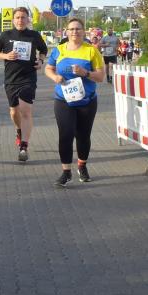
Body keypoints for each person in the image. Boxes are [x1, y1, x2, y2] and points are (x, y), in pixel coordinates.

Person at [44, 18, 105, 187]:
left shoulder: (91, 51)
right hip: (63, 100)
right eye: (71, 29)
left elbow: (101, 77)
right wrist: (55, 77)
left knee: (83, 136)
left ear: (84, 31)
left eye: (78, 29)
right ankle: (66, 172)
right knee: (65, 135)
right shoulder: (59, 50)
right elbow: (48, 68)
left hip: (87, 101)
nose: (74, 32)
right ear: (66, 31)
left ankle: (82, 165)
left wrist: (86, 73)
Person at [0, 7, 48, 162]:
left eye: (23, 17)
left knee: (26, 111)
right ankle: (18, 130)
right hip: (11, 79)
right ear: (13, 20)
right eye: (17, 17)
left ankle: (24, 146)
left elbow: (44, 50)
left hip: (28, 78)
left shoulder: (34, 35)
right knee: (14, 111)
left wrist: (41, 61)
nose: (20, 20)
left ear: (28, 19)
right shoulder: (6, 35)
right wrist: (6, 56)